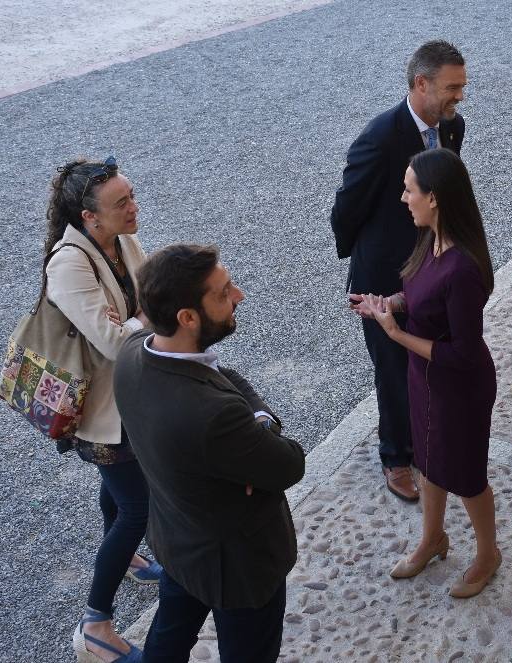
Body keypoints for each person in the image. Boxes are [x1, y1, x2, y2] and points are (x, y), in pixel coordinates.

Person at [113, 245, 305, 662]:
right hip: (239, 568)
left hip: (179, 542)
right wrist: (261, 421)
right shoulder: (213, 416)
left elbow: (220, 373)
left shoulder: (131, 353)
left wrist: (249, 424)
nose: (239, 295)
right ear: (187, 317)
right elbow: (290, 462)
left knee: (167, 641)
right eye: (222, 293)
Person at [350, 148, 499, 598]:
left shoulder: (464, 268)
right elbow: (419, 295)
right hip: (426, 379)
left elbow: (464, 354)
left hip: (460, 388)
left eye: (409, 189)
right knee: (429, 464)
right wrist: (388, 304)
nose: (403, 197)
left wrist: (395, 334)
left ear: (433, 197)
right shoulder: (431, 240)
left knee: (467, 477)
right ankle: (432, 539)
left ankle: (488, 553)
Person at [331, 40, 467, 502]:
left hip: (432, 267)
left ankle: (427, 438)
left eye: (462, 87)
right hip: (385, 274)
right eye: (452, 88)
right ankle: (396, 457)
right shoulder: (380, 137)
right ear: (420, 84)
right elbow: (347, 208)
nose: (460, 97)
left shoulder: (452, 128)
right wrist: (364, 264)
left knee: (428, 357)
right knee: (392, 368)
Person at [44, 156, 160, 663]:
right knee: (138, 506)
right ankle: (95, 626)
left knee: (118, 494)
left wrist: (136, 315)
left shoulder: (120, 239)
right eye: (122, 203)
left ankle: (129, 559)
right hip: (98, 412)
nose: (134, 208)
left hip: (127, 398)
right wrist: (141, 317)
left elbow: (150, 292)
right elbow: (114, 340)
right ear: (89, 217)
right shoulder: (68, 263)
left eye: (131, 195)